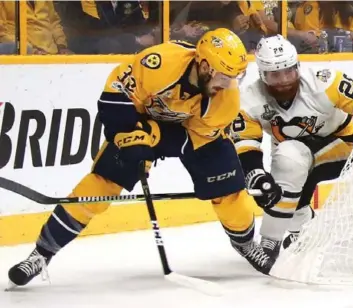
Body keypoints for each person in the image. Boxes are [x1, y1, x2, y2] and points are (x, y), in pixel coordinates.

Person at [8, 28, 274, 289]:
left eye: (234, 77)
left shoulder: (226, 99)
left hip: (192, 133)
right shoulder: (160, 63)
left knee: (229, 190)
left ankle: (246, 244)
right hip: (140, 122)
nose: (228, 85)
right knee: (101, 184)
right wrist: (132, 138)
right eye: (224, 76)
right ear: (204, 66)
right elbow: (114, 96)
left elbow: (197, 136)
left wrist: (154, 143)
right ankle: (40, 254)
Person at [229, 35, 353, 259]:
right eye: (275, 74)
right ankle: (305, 230)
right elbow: (246, 143)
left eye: (289, 71)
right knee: (282, 188)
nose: (284, 80)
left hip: (339, 145)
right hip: (292, 154)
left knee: (290, 164)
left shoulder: (324, 81)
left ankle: (270, 242)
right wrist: (257, 175)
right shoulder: (250, 100)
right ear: (261, 74)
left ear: (297, 66)